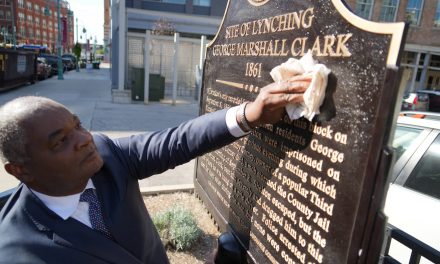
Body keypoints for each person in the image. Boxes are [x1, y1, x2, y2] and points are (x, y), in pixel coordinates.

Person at [0, 77, 310, 264]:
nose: (84, 140)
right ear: (20, 171)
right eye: (61, 141)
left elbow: (176, 142)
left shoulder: (107, 154)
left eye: (78, 125)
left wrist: (249, 115)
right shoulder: (17, 251)